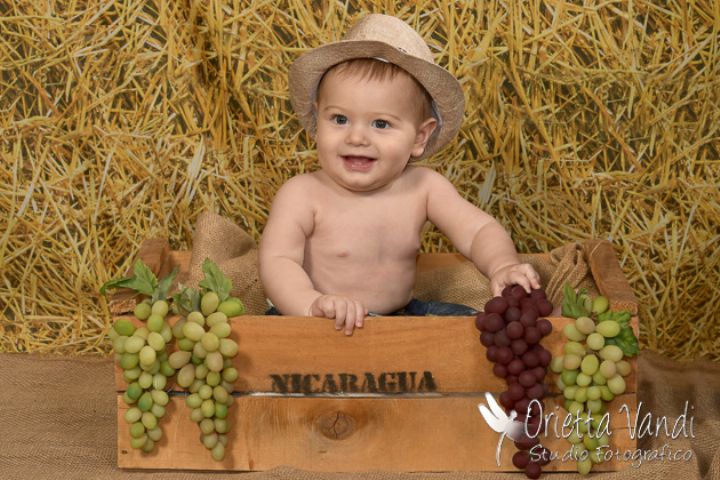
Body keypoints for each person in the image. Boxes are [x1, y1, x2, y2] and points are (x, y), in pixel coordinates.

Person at [259, 14, 541, 335]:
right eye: (339, 119)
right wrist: (310, 304)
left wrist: (502, 265)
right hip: (317, 322)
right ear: (316, 117)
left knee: (479, 327)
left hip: (400, 316)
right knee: (276, 342)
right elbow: (278, 260)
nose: (356, 137)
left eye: (381, 124)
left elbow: (478, 230)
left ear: (419, 137)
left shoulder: (423, 188)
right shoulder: (302, 193)